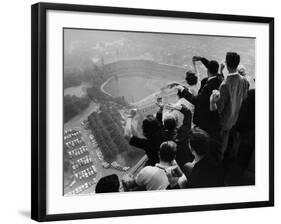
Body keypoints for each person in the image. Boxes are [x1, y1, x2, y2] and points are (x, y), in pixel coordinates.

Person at [210, 52, 249, 160]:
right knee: (227, 137)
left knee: (221, 141)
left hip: (224, 120)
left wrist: (214, 99)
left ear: (226, 64)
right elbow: (244, 97)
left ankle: (218, 160)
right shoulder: (244, 80)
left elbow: (219, 108)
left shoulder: (225, 84)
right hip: (235, 116)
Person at [156, 102, 194, 169]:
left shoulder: (163, 137)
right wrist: (175, 106)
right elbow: (188, 113)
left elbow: (158, 125)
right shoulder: (183, 131)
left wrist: (161, 109)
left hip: (176, 164)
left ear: (164, 126)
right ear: (176, 123)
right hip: (188, 158)